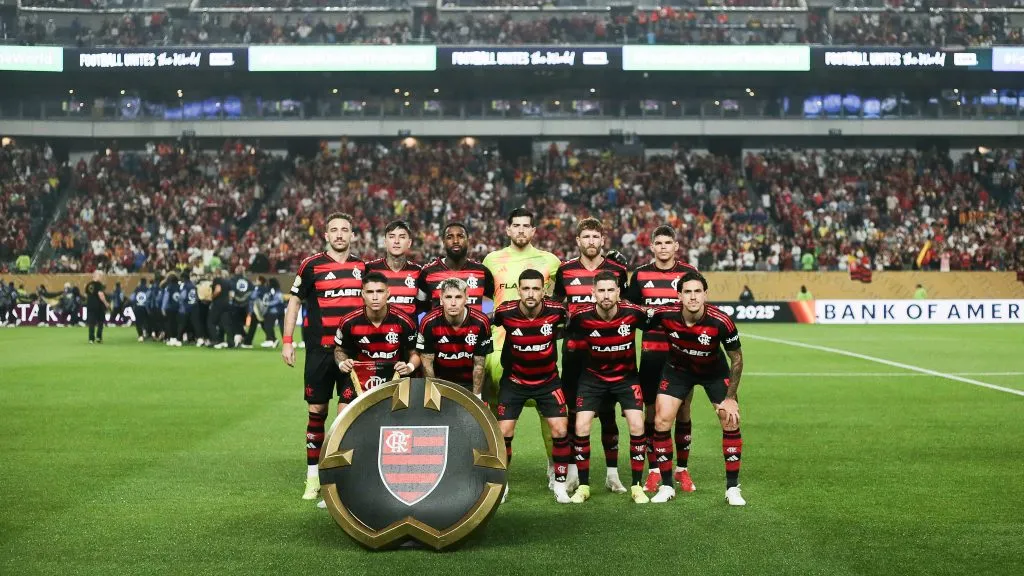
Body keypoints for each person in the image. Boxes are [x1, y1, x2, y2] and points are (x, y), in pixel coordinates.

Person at [281, 212, 366, 503]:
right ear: (326, 235)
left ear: (353, 235)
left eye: (345, 230)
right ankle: (313, 477)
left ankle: (338, 480)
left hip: (351, 355)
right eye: (334, 230)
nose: (340, 234)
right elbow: (294, 302)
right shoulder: (311, 265)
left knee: (345, 416)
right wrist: (287, 341)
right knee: (317, 412)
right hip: (319, 352)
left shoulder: (362, 267)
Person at [647, 271, 746, 506]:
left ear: (705, 295)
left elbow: (737, 359)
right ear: (679, 295)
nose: (693, 297)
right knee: (661, 421)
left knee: (730, 419)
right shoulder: (665, 314)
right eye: (688, 292)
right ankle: (668, 485)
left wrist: (730, 397)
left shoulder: (721, 321)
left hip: (714, 372)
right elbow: (635, 315)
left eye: (698, 292)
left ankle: (732, 488)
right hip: (678, 371)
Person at [481, 208, 561, 486]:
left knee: (547, 410)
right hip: (499, 344)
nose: (521, 231)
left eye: (526, 226)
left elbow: (560, 301)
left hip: (540, 345)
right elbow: (484, 300)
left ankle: (553, 467)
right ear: (507, 229)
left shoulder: (550, 261)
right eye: (516, 225)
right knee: (493, 411)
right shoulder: (491, 260)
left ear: (534, 231)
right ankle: (496, 474)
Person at [552, 217, 629, 494]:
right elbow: (555, 305)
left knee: (608, 414)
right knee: (574, 413)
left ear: (602, 240)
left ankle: (612, 475)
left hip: (610, 352)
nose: (591, 242)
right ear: (578, 241)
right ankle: (573, 472)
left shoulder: (618, 269)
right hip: (575, 352)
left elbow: (627, 306)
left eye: (596, 237)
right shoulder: (566, 270)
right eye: (586, 237)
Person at [565, 271, 650, 505]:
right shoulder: (581, 316)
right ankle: (583, 485)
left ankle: (636, 485)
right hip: (592, 379)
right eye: (601, 290)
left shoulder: (633, 313)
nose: (606, 295)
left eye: (610, 290)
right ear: (593, 293)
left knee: (637, 424)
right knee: (581, 426)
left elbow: (659, 321)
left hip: (626, 378)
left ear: (618, 292)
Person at [625, 225, 699, 493]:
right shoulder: (641, 275)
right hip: (652, 354)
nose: (664, 247)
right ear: (652, 247)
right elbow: (631, 311)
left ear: (676, 246)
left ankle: (682, 470)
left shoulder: (690, 275)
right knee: (652, 412)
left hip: (682, 355)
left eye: (669, 242)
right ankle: (655, 470)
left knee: (684, 409)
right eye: (660, 243)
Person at [492, 269, 572, 504]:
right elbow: (482, 324)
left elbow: (576, 323)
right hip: (514, 381)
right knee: (504, 432)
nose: (530, 293)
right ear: (519, 290)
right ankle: (502, 486)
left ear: (543, 291)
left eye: (535, 288)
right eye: (526, 288)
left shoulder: (556, 311)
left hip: (548, 381)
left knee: (560, 430)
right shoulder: (505, 312)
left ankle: (559, 485)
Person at [417, 278, 492, 394]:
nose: (453, 303)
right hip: (440, 382)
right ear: (441, 299)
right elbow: (427, 364)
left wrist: (477, 396)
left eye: (458, 297)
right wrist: (434, 394)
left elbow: (479, 365)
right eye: (448, 297)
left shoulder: (481, 322)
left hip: (469, 383)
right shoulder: (428, 322)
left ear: (466, 298)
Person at [418, 222, 495, 312]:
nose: (455, 241)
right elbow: (420, 305)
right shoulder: (428, 272)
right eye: (450, 237)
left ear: (468, 240)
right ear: (443, 241)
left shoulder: (482, 271)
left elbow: (497, 299)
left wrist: (487, 319)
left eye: (460, 236)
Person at [365, 220, 422, 318]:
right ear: (385, 242)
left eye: (402, 237)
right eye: (392, 237)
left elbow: (424, 306)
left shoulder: (418, 272)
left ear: (409, 243)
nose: (396, 241)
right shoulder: (369, 269)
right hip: (378, 332)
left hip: (409, 332)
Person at [85, 271, 109, 344]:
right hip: (99, 306)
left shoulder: (88, 285)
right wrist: (106, 303)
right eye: (100, 276)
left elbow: (87, 294)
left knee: (91, 323)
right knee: (100, 322)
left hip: (90, 306)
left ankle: (91, 339)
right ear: (96, 276)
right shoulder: (98, 284)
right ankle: (98, 337)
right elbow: (100, 294)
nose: (101, 277)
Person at [161, 274, 181, 346]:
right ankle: (177, 338)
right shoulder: (180, 287)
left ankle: (172, 338)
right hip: (178, 308)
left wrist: (163, 308)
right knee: (177, 323)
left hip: (170, 308)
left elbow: (165, 299)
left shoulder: (168, 288)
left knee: (170, 324)